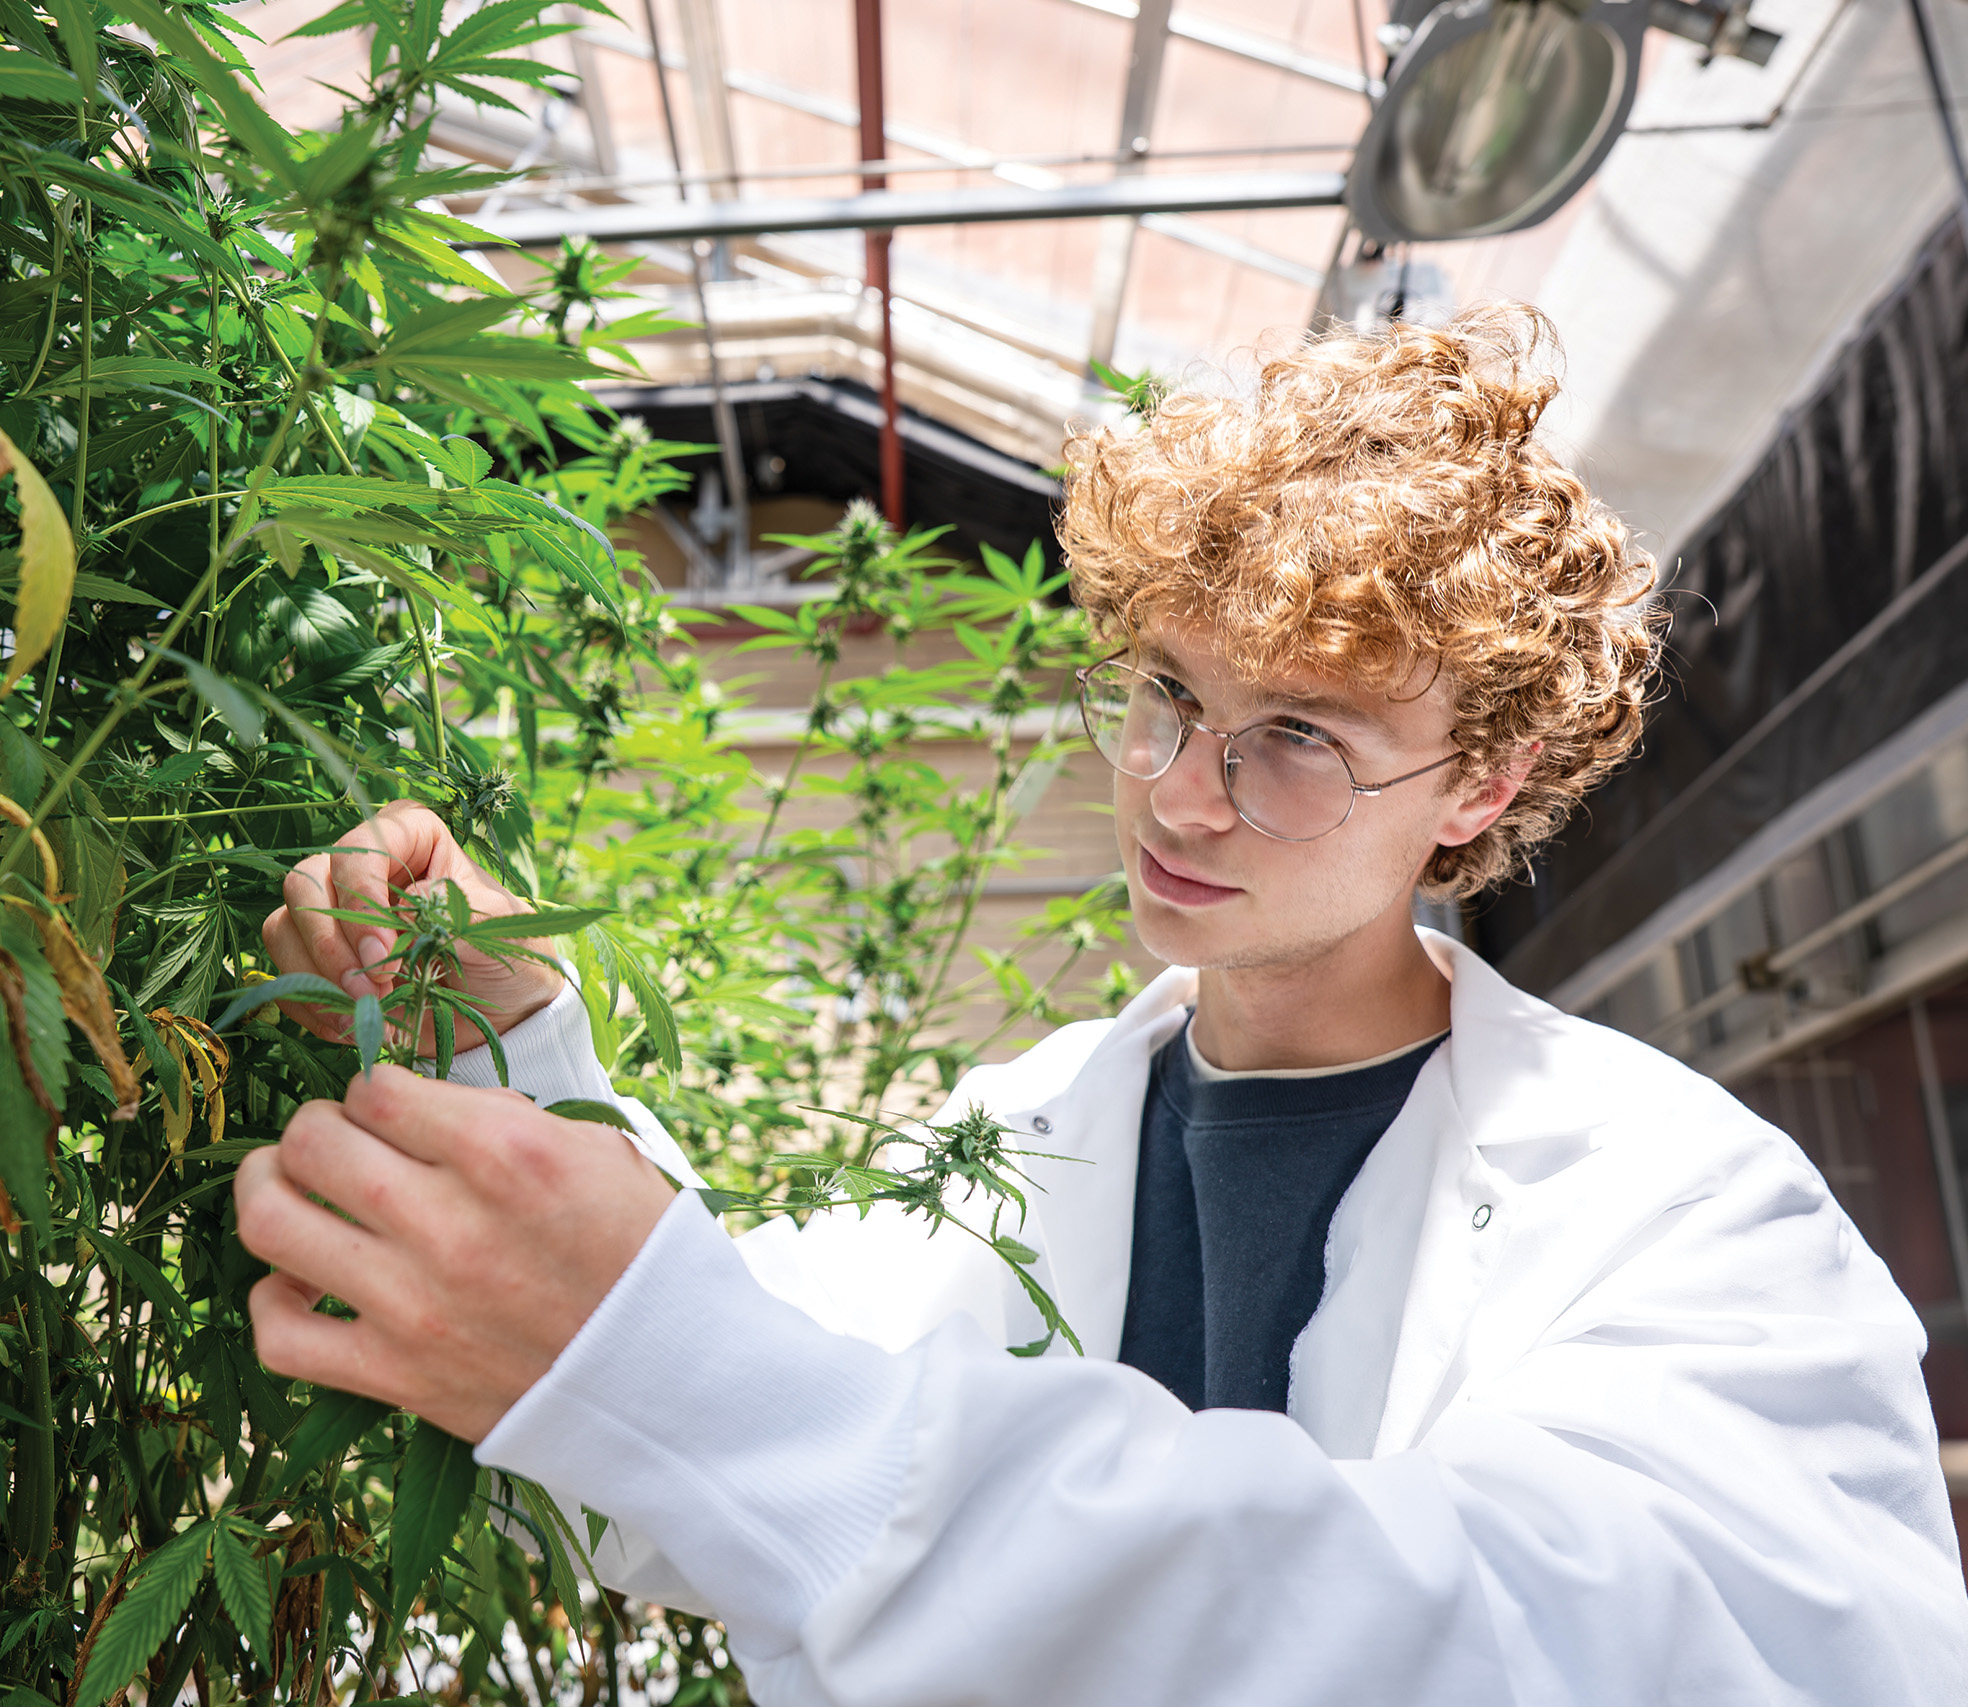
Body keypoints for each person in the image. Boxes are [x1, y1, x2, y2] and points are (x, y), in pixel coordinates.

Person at [232, 307, 1968, 1704]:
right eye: (1164, 693)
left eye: (1299, 735)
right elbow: (739, 1426)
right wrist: (520, 1047)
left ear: (1482, 784)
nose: (1181, 795)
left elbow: (1547, 1640)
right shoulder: (1021, 1130)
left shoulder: (1683, 1208)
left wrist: (690, 1381)